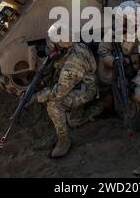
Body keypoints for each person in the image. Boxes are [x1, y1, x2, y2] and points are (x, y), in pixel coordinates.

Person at [97, 1, 140, 145]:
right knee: (122, 107)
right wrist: (113, 61)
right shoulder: (113, 33)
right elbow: (103, 50)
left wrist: (134, 82)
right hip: (121, 75)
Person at [36, 23, 98, 158]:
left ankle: (64, 140)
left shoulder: (72, 63)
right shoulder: (72, 46)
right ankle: (77, 111)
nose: (49, 44)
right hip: (77, 83)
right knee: (73, 120)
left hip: (85, 89)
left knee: (53, 104)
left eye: (52, 42)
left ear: (60, 47)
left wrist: (37, 97)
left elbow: (58, 93)